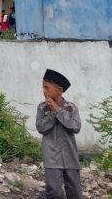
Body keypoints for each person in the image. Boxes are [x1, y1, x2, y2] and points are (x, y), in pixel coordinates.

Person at [36, 69, 82, 199]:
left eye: (47, 87)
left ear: (60, 90)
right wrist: (51, 113)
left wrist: (57, 110)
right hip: (51, 157)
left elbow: (76, 127)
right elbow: (41, 128)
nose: (43, 91)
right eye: (42, 87)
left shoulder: (71, 108)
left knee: (75, 194)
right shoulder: (42, 108)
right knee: (54, 193)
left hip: (70, 157)